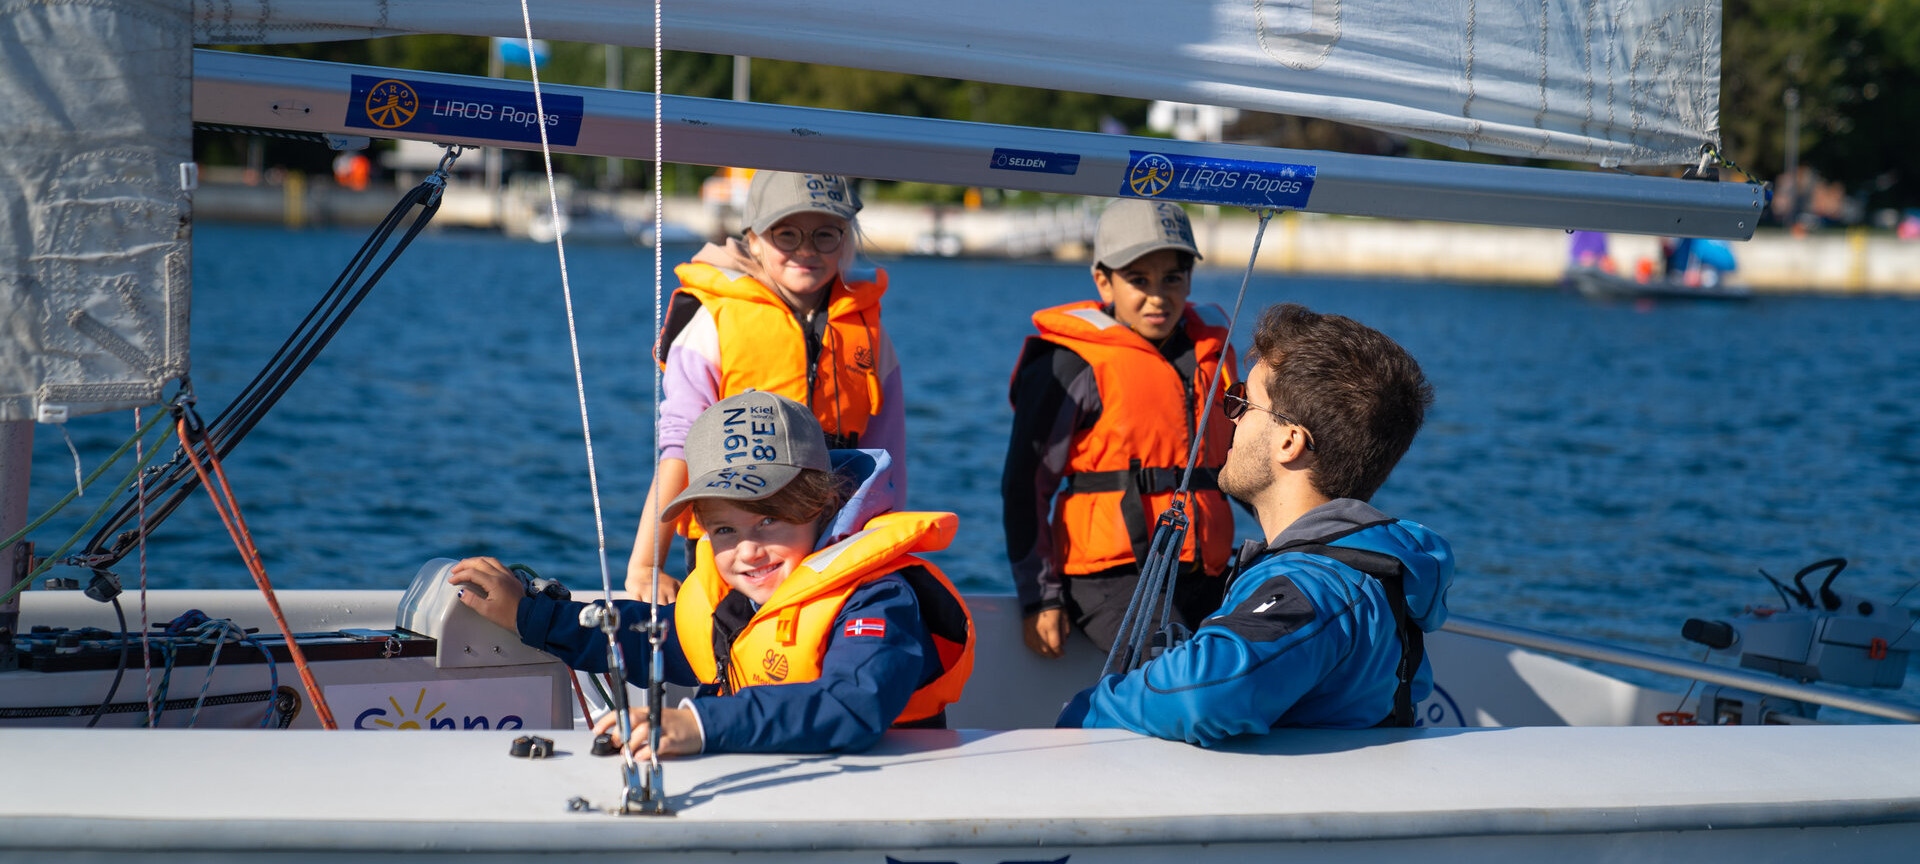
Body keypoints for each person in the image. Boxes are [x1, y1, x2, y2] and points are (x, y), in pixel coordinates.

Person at [455, 391, 971, 757]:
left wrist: (698, 724)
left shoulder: (878, 599)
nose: (748, 550)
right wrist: (530, 614)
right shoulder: (737, 600)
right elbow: (649, 639)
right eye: (724, 530)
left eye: (770, 519)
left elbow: (852, 704)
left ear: (824, 503)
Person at [1056, 302, 1452, 744]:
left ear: (1289, 441)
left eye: (1243, 403)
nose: (1232, 418)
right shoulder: (1361, 572)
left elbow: (1206, 693)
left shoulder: (1315, 585)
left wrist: (1085, 714)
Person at [627, 171, 907, 603]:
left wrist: (884, 554)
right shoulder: (714, 322)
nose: (806, 250)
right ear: (753, 240)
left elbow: (888, 459)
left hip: (830, 543)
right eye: (786, 234)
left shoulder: (868, 331)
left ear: (847, 238)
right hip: (734, 545)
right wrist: (647, 565)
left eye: (826, 235)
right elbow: (679, 444)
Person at [1002, 199, 1238, 658]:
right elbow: (1024, 486)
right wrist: (1040, 597)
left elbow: (1242, 464)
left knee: (1261, 655)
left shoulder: (1212, 352)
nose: (1158, 296)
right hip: (1111, 577)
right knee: (1180, 672)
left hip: (1204, 572)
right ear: (1103, 281)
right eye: (1139, 280)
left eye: (1173, 278)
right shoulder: (1068, 364)